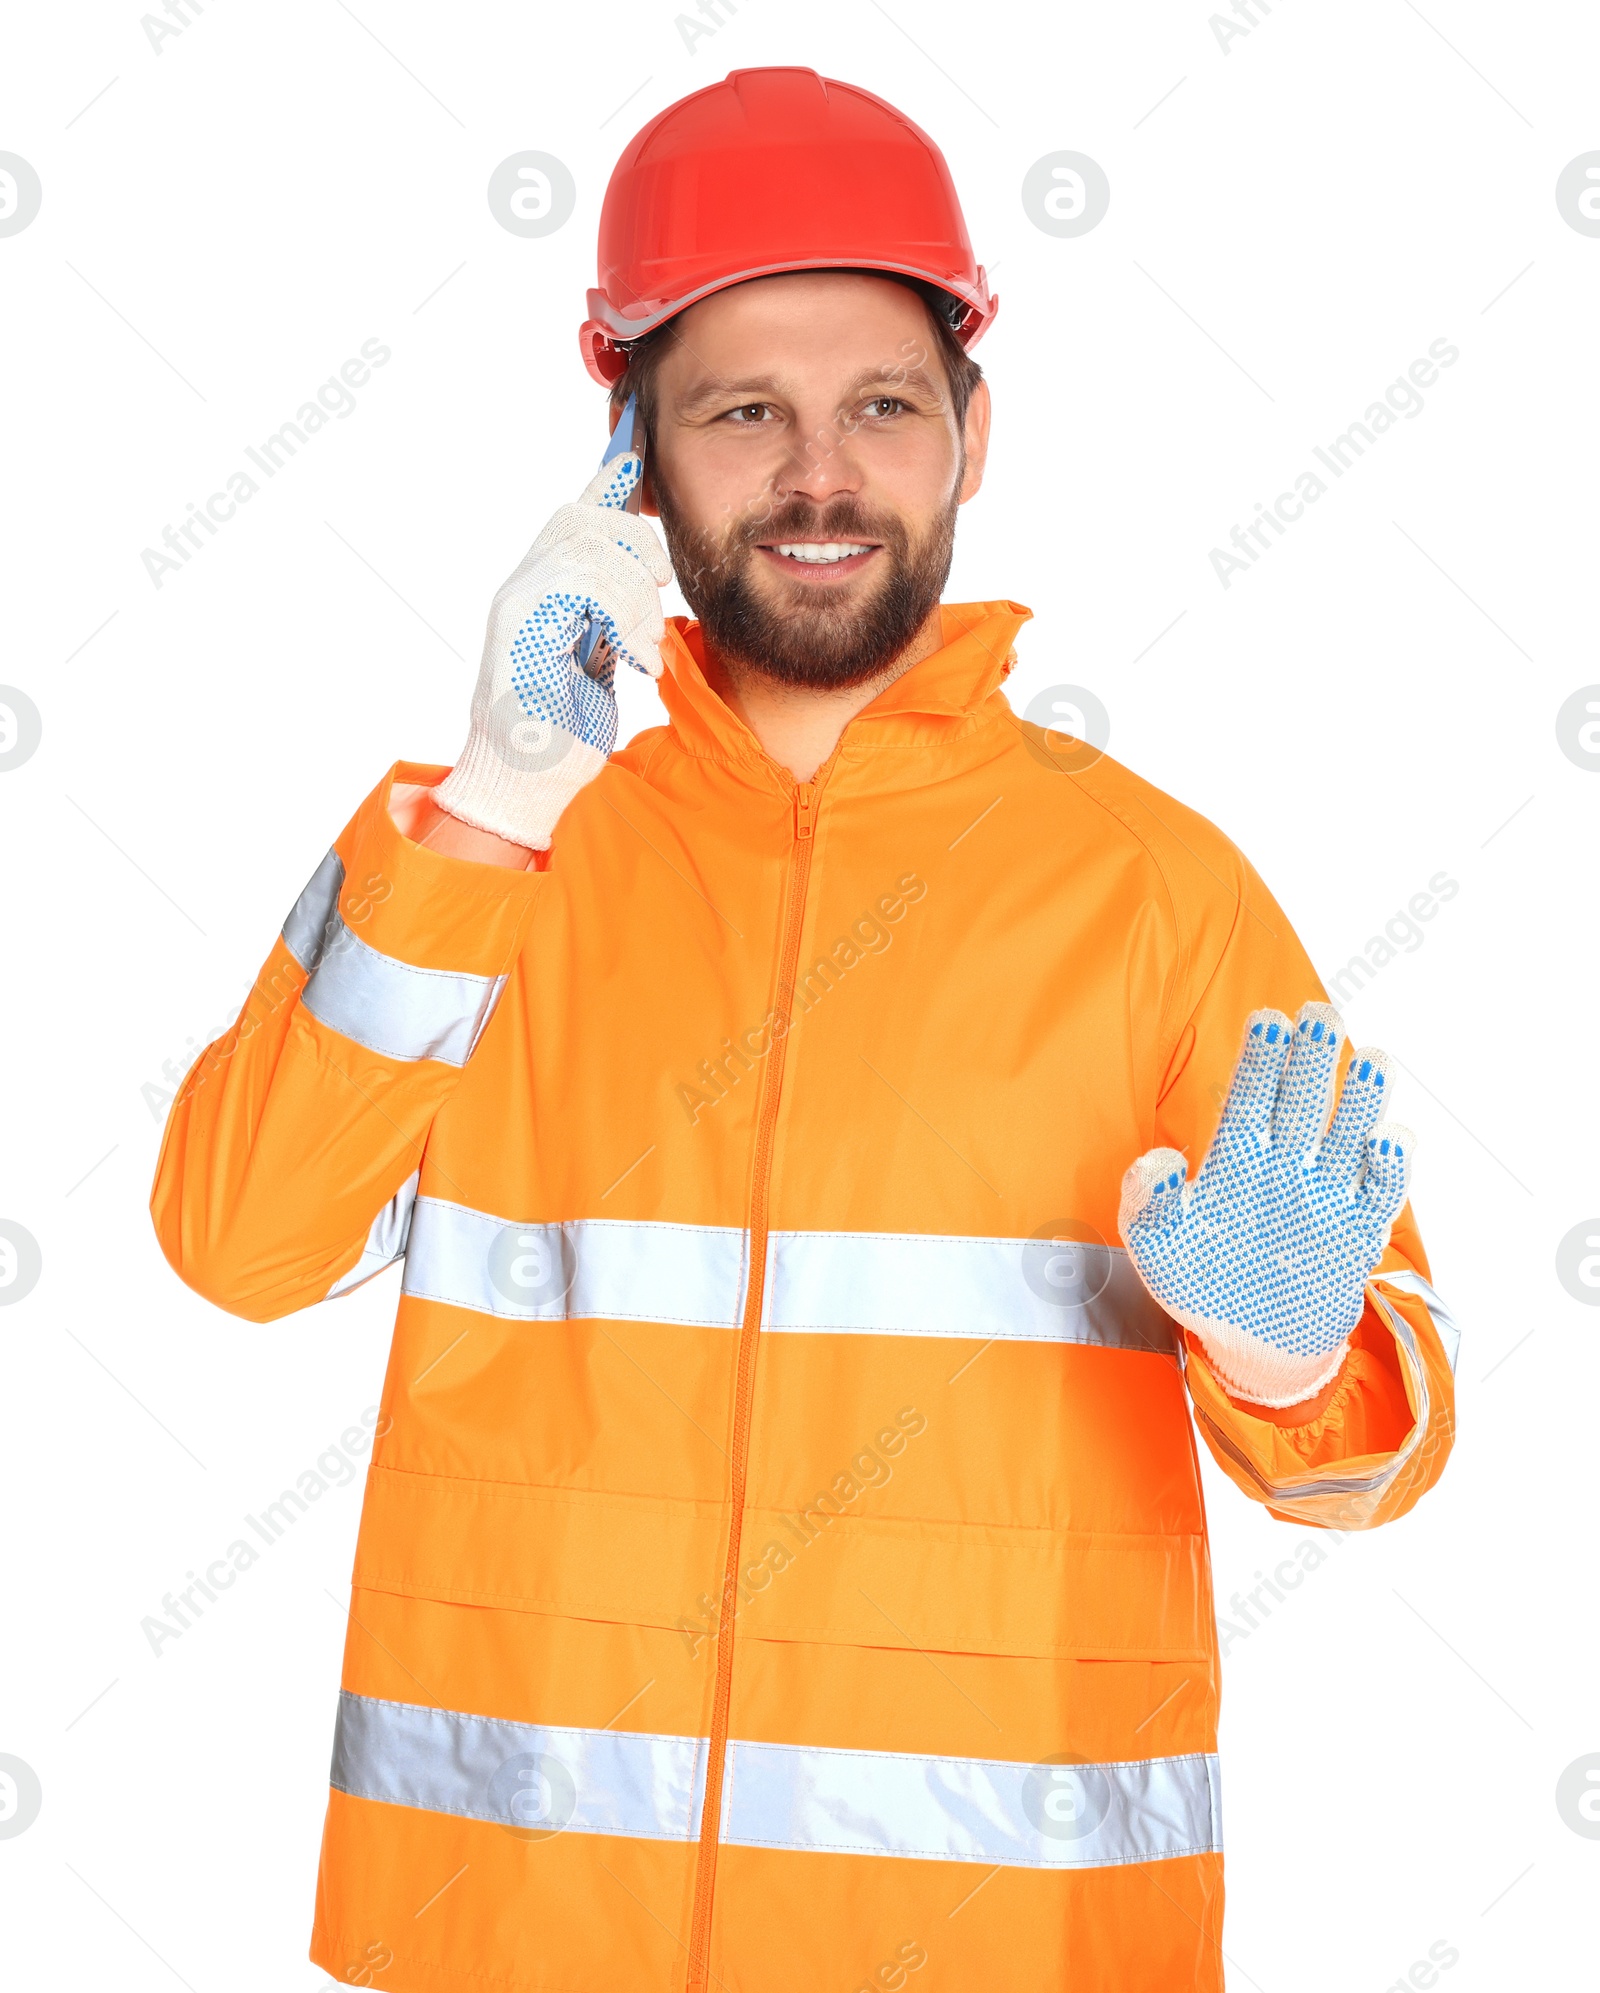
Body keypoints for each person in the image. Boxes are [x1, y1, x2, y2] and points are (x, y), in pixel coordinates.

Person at [151, 65, 1458, 1993]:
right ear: (631, 446)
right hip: (516, 1941)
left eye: (882, 406)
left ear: (974, 430)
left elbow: (1377, 1452)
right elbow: (240, 1243)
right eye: (743, 411)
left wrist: (1283, 1364)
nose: (819, 475)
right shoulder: (483, 849)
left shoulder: (1158, 895)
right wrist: (501, 802)